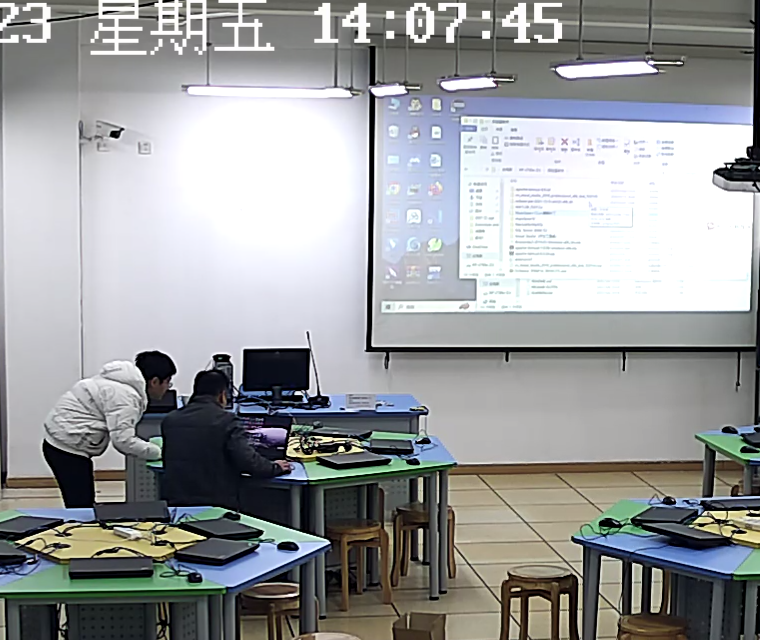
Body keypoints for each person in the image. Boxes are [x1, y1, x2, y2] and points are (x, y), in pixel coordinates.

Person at [43, 351, 177, 508]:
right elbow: (123, 441)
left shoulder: (115, 382)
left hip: (60, 441)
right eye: (167, 382)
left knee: (81, 502)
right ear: (154, 381)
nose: (167, 388)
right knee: (81, 507)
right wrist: (160, 452)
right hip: (66, 448)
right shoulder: (125, 397)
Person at [161, 369, 293, 510]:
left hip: (175, 504)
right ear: (222, 395)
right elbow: (249, 462)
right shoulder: (227, 421)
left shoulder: (170, 420)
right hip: (217, 505)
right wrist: (275, 467)